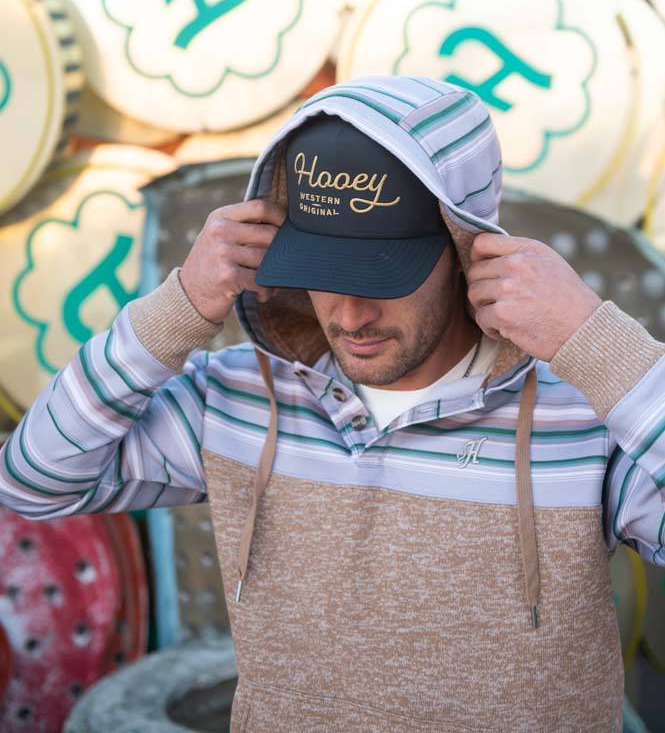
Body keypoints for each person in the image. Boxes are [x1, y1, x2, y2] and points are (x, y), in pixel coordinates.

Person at [1, 76, 663, 732]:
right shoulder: (236, 398)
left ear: (468, 250)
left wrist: (598, 343)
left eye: (381, 275)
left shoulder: (582, 419)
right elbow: (33, 480)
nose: (348, 315)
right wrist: (174, 311)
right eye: (320, 270)